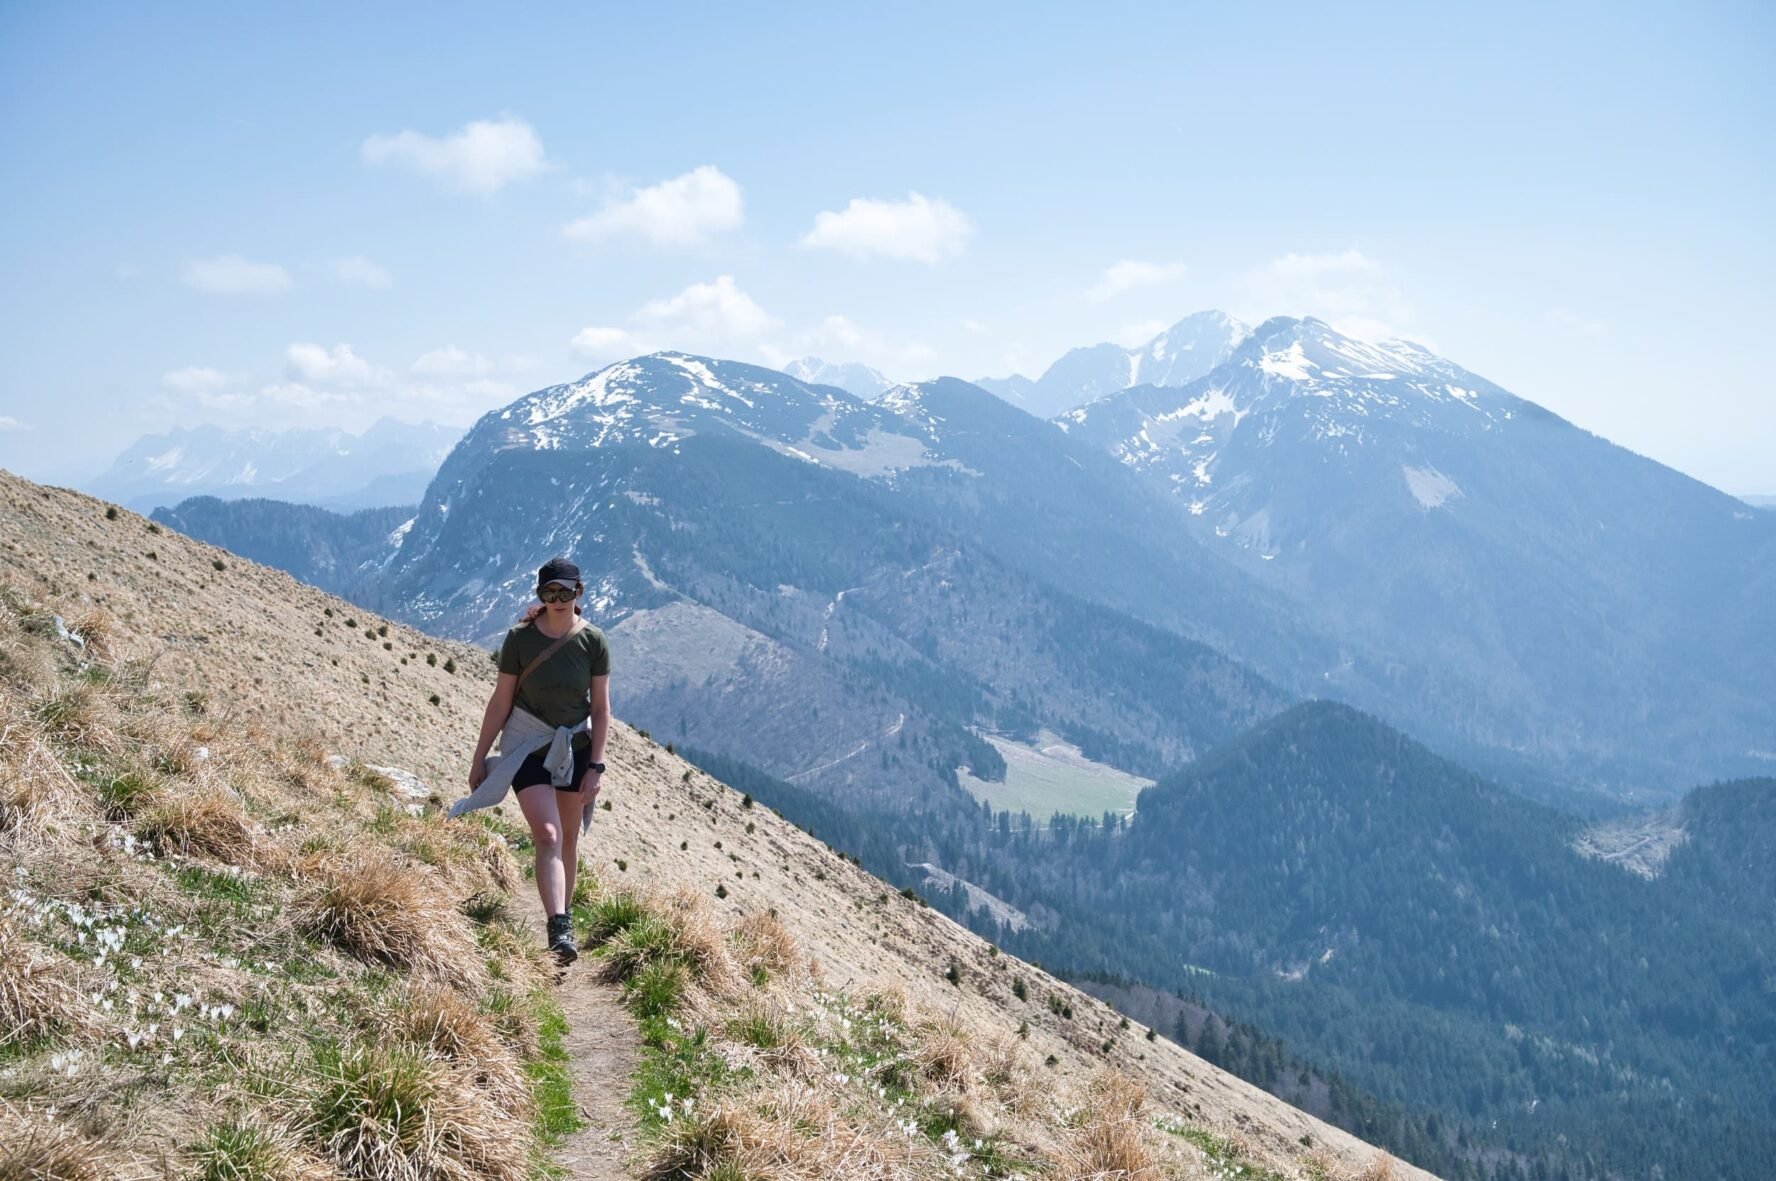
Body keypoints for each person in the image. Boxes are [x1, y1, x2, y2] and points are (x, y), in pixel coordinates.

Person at [454, 557, 611, 964]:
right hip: (525, 746)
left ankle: (565, 920)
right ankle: (558, 924)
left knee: (569, 840)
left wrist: (595, 765)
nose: (558, 600)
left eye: (565, 591)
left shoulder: (593, 642)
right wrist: (479, 758)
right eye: (549, 593)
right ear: (540, 596)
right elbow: (501, 701)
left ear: (580, 592)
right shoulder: (519, 640)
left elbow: (601, 709)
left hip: (573, 749)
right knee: (548, 835)